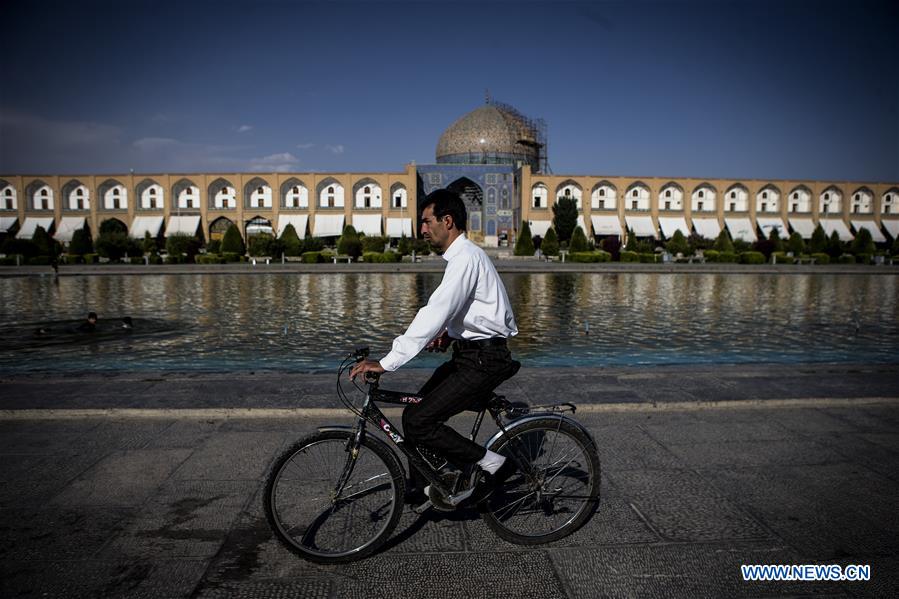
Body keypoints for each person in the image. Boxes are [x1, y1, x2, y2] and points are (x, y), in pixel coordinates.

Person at [350, 188, 519, 505]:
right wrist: (449, 333)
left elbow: (436, 309)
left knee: (419, 421)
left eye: (427, 222)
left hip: (484, 360)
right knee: (415, 412)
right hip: (471, 355)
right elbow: (467, 311)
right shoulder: (462, 257)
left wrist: (388, 362)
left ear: (448, 220)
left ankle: (493, 463)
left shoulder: (465, 258)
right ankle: (429, 483)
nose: (422, 229)